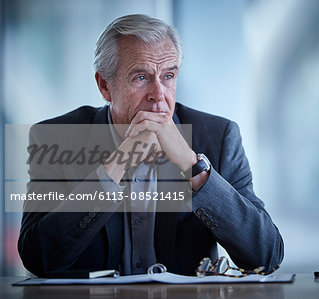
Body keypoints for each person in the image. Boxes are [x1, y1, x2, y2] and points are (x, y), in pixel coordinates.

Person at [18, 14, 284, 277]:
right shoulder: (55, 137)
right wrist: (118, 164)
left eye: (168, 76)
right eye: (141, 77)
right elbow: (38, 257)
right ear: (105, 86)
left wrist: (194, 168)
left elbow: (266, 256)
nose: (159, 95)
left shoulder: (218, 137)